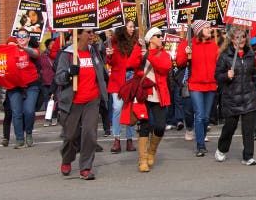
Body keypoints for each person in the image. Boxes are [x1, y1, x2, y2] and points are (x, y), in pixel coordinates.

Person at [55, 29, 108, 180]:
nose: (92, 35)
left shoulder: (95, 52)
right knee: (70, 136)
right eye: (88, 32)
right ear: (78, 34)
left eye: (93, 32)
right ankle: (67, 159)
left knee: (90, 134)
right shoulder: (68, 54)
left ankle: (85, 167)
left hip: (92, 100)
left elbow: (102, 72)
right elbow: (58, 78)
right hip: (72, 102)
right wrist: (68, 74)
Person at [215, 28, 256, 165]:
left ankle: (248, 156)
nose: (240, 40)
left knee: (248, 129)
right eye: (237, 37)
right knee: (230, 127)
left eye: (243, 37)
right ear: (232, 39)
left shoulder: (250, 55)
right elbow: (217, 76)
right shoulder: (225, 56)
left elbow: (255, 76)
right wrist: (226, 76)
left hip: (248, 96)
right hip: (231, 98)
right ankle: (222, 149)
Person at [176, 20, 220, 157]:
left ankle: (201, 136)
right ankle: (200, 145)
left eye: (210, 27)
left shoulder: (213, 45)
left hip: (211, 85)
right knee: (200, 115)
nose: (210, 30)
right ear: (199, 30)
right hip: (195, 85)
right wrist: (185, 53)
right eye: (207, 28)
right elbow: (179, 62)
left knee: (206, 117)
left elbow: (218, 63)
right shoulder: (189, 44)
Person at [136, 27, 173, 172]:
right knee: (144, 126)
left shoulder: (163, 54)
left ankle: (152, 151)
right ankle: (143, 159)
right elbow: (130, 65)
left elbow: (165, 67)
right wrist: (137, 49)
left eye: (161, 36)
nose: (160, 38)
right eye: (158, 36)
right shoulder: (141, 51)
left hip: (159, 95)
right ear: (150, 39)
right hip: (144, 94)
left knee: (160, 126)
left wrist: (149, 56)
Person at [105, 21, 143, 154]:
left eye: (134, 26)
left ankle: (130, 138)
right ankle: (116, 138)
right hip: (117, 79)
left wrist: (142, 50)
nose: (133, 29)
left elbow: (140, 60)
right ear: (123, 27)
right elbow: (110, 62)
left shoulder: (137, 42)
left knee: (130, 108)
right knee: (117, 108)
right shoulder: (113, 42)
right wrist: (109, 55)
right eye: (130, 26)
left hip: (132, 78)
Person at [6, 29, 41, 148]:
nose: (21, 38)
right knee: (16, 113)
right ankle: (19, 139)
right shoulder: (11, 51)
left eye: (24, 36)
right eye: (19, 36)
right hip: (15, 86)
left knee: (29, 111)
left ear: (28, 38)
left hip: (31, 85)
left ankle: (29, 133)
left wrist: (23, 48)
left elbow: (35, 54)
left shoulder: (32, 50)